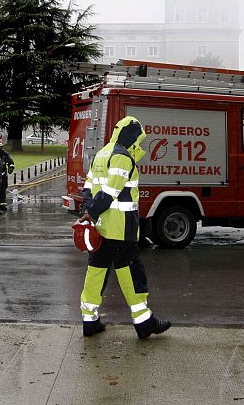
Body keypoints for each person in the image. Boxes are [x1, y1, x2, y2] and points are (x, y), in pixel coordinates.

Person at [77, 116, 171, 339]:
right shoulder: (122, 157)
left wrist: (90, 211)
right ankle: (144, 322)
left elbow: (88, 187)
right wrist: (93, 211)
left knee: (96, 273)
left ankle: (90, 321)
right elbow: (111, 192)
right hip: (121, 227)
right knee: (131, 273)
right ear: (132, 136)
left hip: (101, 228)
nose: (140, 145)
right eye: (139, 140)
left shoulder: (101, 154)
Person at [0, 138, 14, 210]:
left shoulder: (5, 154)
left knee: (3, 189)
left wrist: (10, 168)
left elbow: (10, 162)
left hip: (3, 175)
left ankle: (2, 204)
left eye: (0, 147)